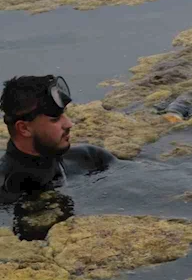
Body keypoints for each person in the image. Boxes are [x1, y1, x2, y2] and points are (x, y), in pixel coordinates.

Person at [0, 75, 115, 203]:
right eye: (55, 119)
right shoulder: (5, 191)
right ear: (24, 129)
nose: (69, 124)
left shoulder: (92, 158)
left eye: (64, 114)